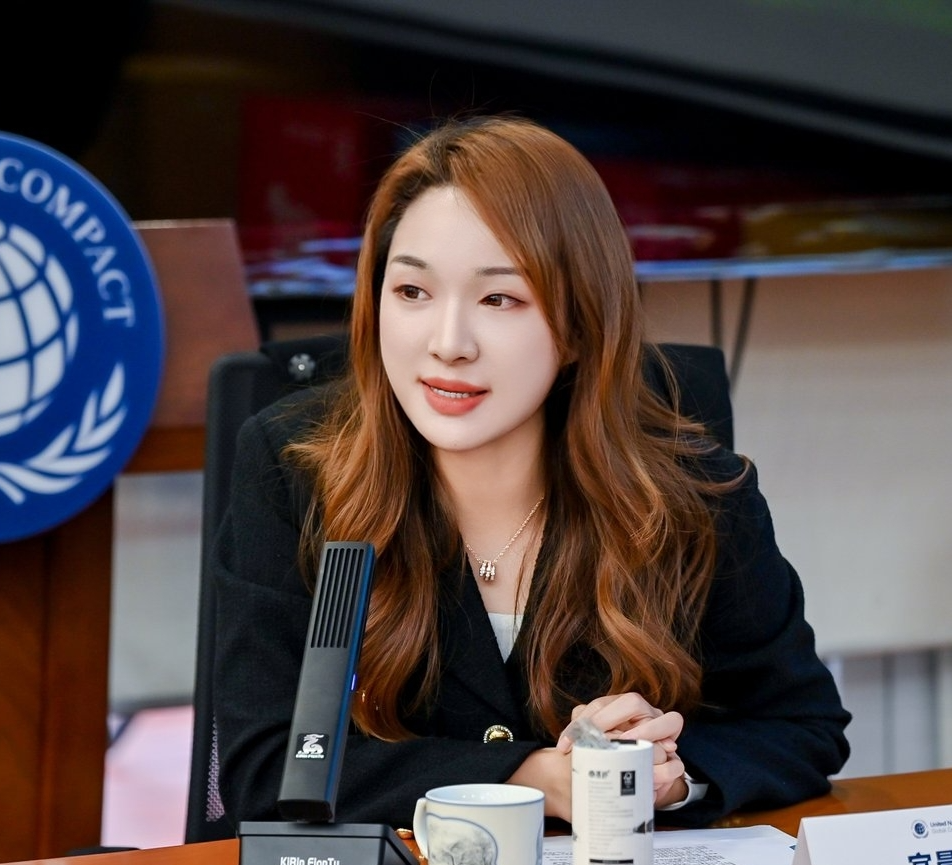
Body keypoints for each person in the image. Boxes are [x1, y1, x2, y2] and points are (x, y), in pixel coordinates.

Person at [211, 115, 849, 829]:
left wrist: (664, 778)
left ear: (578, 326)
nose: (448, 344)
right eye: (412, 292)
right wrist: (530, 777)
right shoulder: (296, 471)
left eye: (499, 299)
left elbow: (802, 725)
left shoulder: (693, 491)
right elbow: (264, 767)